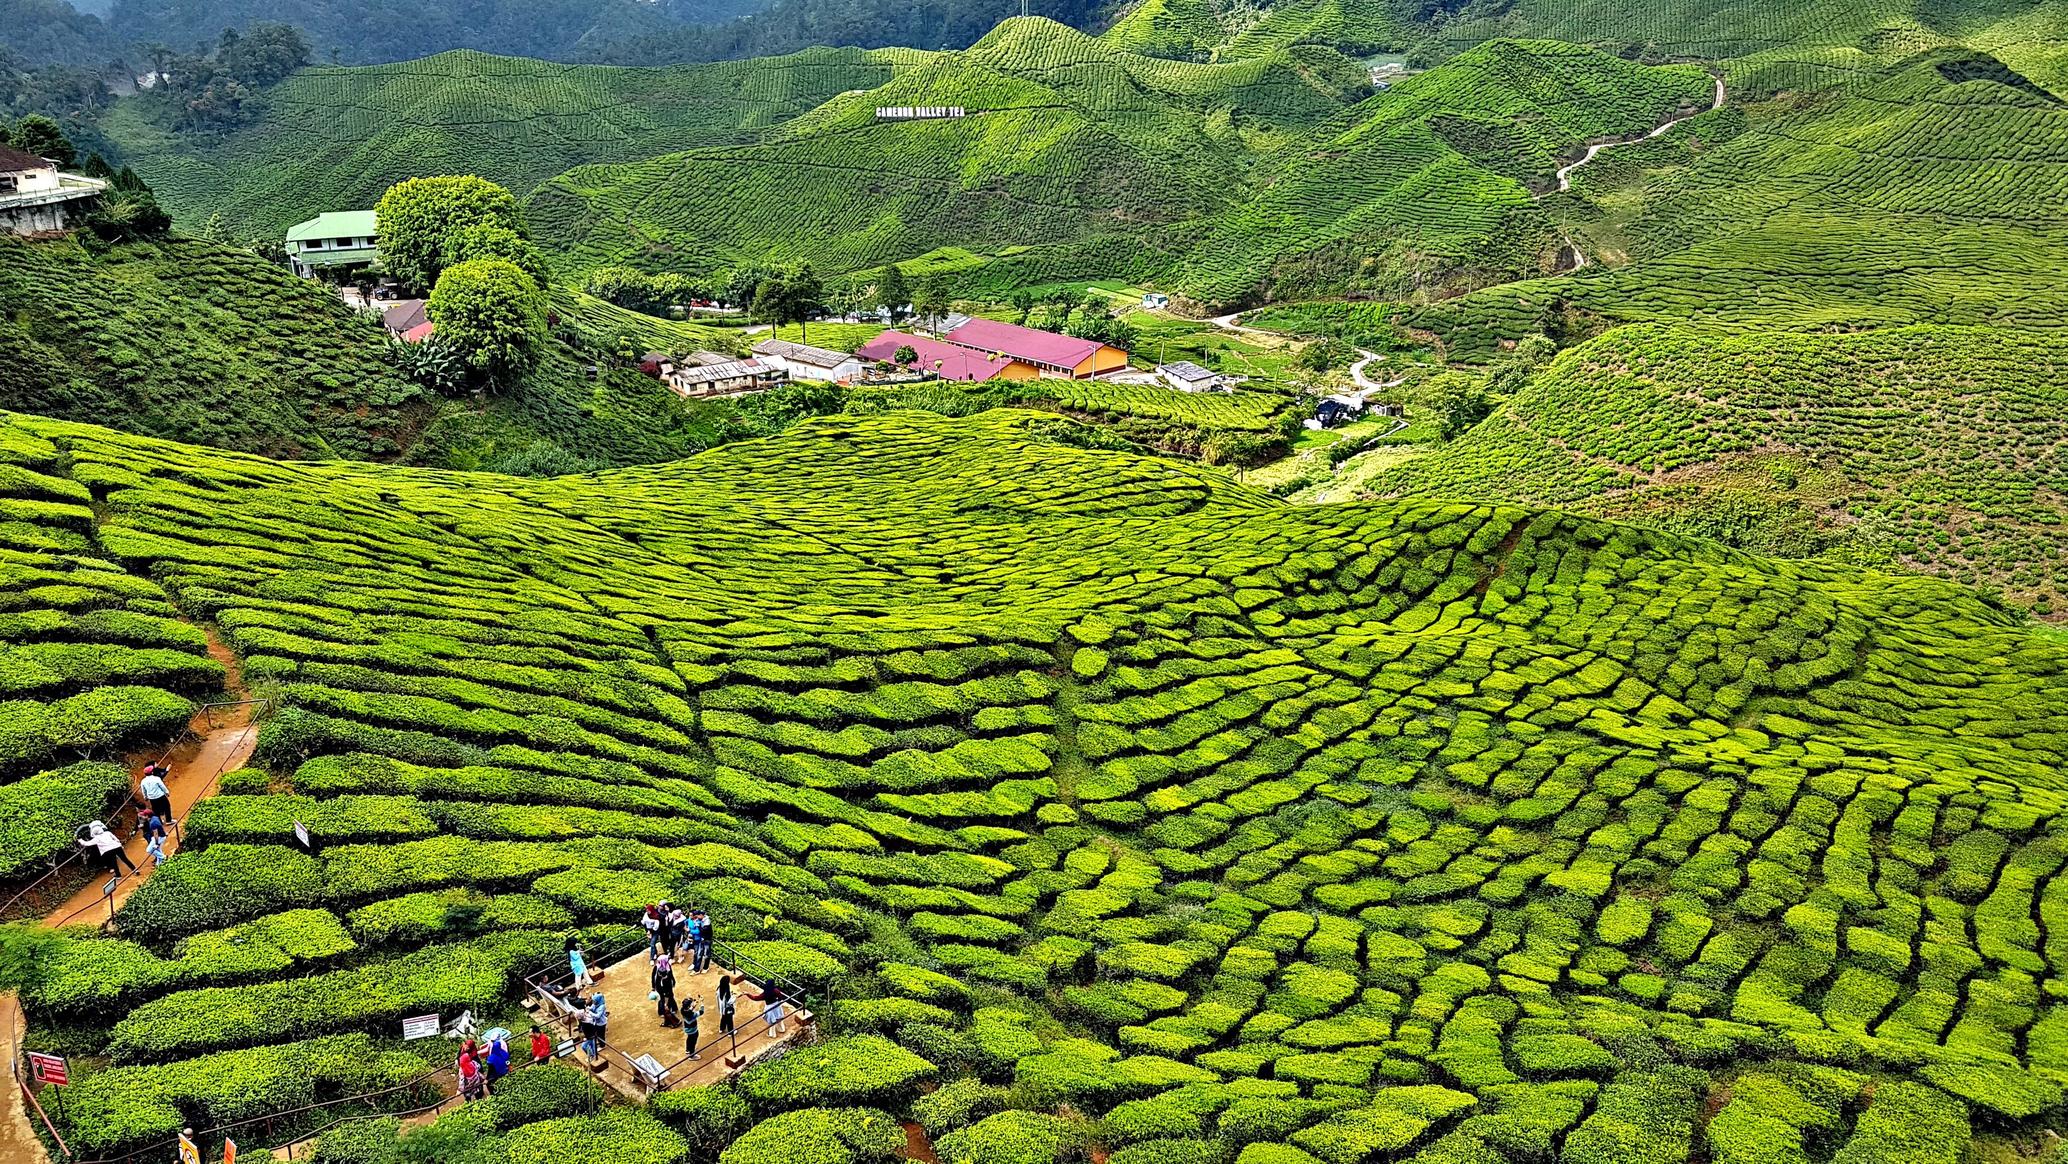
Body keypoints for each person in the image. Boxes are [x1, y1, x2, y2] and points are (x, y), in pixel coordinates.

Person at [652, 953, 678, 1025]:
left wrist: (673, 981)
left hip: (667, 987)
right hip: (660, 988)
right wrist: (653, 987)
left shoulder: (668, 966)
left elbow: (671, 975)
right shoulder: (656, 968)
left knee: (670, 997)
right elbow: (653, 978)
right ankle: (662, 1012)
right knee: (661, 999)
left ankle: (673, 1008)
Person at [583, 993, 608, 1059]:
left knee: (601, 1035)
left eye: (594, 1001)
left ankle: (602, 1045)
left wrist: (590, 1013)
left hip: (601, 1023)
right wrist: (589, 1008)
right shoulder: (595, 1003)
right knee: (596, 1033)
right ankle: (599, 1043)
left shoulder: (602, 1006)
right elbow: (592, 1008)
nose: (593, 1002)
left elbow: (598, 1016)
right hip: (596, 1023)